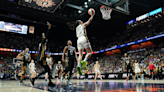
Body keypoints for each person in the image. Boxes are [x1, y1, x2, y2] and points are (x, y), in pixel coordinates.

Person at [30, 21, 54, 86]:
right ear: (43, 39)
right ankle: (34, 78)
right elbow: (46, 36)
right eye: (44, 38)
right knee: (47, 70)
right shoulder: (42, 43)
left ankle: (35, 79)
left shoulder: (43, 44)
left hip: (41, 57)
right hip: (41, 57)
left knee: (47, 70)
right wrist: (49, 28)